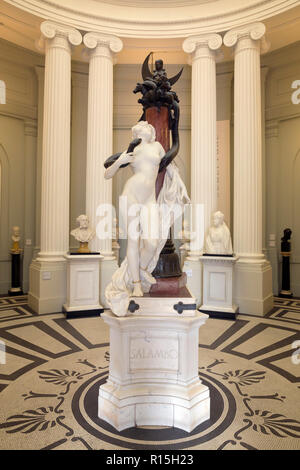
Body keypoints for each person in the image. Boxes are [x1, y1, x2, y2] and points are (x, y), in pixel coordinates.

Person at [104, 120, 189, 316]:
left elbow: (169, 168)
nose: (148, 129)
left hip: (149, 199)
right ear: (136, 132)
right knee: (133, 242)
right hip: (131, 195)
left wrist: (180, 185)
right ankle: (136, 284)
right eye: (143, 128)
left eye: (149, 128)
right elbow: (108, 174)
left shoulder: (157, 147)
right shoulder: (131, 150)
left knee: (151, 242)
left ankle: (141, 269)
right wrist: (121, 160)